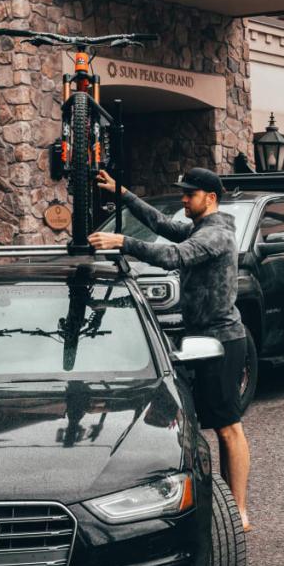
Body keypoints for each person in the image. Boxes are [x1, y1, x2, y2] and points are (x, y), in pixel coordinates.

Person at [87, 168, 254, 532]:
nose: (183, 199)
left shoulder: (217, 234)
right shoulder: (201, 227)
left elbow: (173, 256)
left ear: (210, 197)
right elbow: (163, 225)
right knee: (214, 425)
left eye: (189, 194)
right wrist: (124, 193)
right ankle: (226, 504)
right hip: (203, 338)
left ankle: (239, 511)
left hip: (223, 340)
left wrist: (123, 242)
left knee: (229, 429)